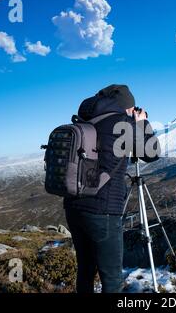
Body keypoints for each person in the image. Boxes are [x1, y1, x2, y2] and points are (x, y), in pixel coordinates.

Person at [64, 85, 160, 293]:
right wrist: (142, 122)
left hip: (73, 205)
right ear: (126, 106)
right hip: (103, 211)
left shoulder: (86, 120)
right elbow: (152, 153)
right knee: (112, 279)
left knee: (86, 270)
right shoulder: (122, 124)